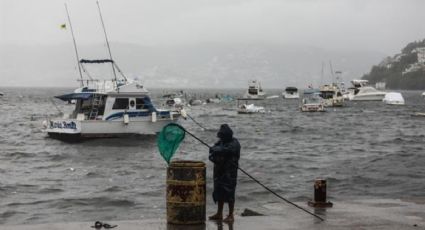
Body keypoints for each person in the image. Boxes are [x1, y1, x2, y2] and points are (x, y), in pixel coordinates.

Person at [208, 124, 241, 222]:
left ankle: (231, 215)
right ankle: (219, 213)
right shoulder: (220, 142)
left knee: (230, 193)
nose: (220, 138)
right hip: (219, 171)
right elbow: (215, 148)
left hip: (230, 173)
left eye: (222, 136)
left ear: (227, 136)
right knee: (219, 192)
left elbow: (226, 150)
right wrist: (213, 149)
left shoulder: (235, 143)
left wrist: (216, 150)